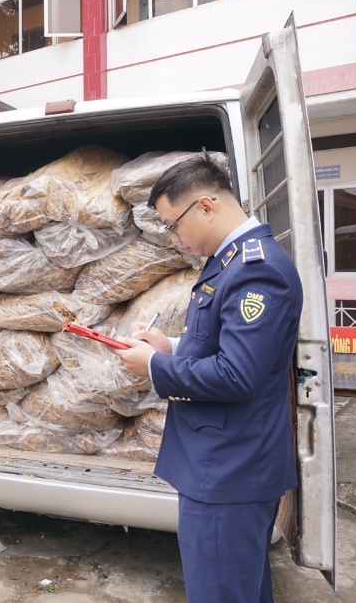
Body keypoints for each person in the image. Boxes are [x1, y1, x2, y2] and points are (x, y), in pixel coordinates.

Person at [109, 153, 301, 603]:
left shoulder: (258, 271)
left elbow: (237, 375)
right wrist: (168, 347)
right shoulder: (229, 262)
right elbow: (222, 345)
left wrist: (153, 368)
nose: (174, 238)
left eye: (173, 225)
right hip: (220, 463)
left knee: (220, 593)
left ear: (207, 206)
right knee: (238, 588)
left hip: (230, 468)